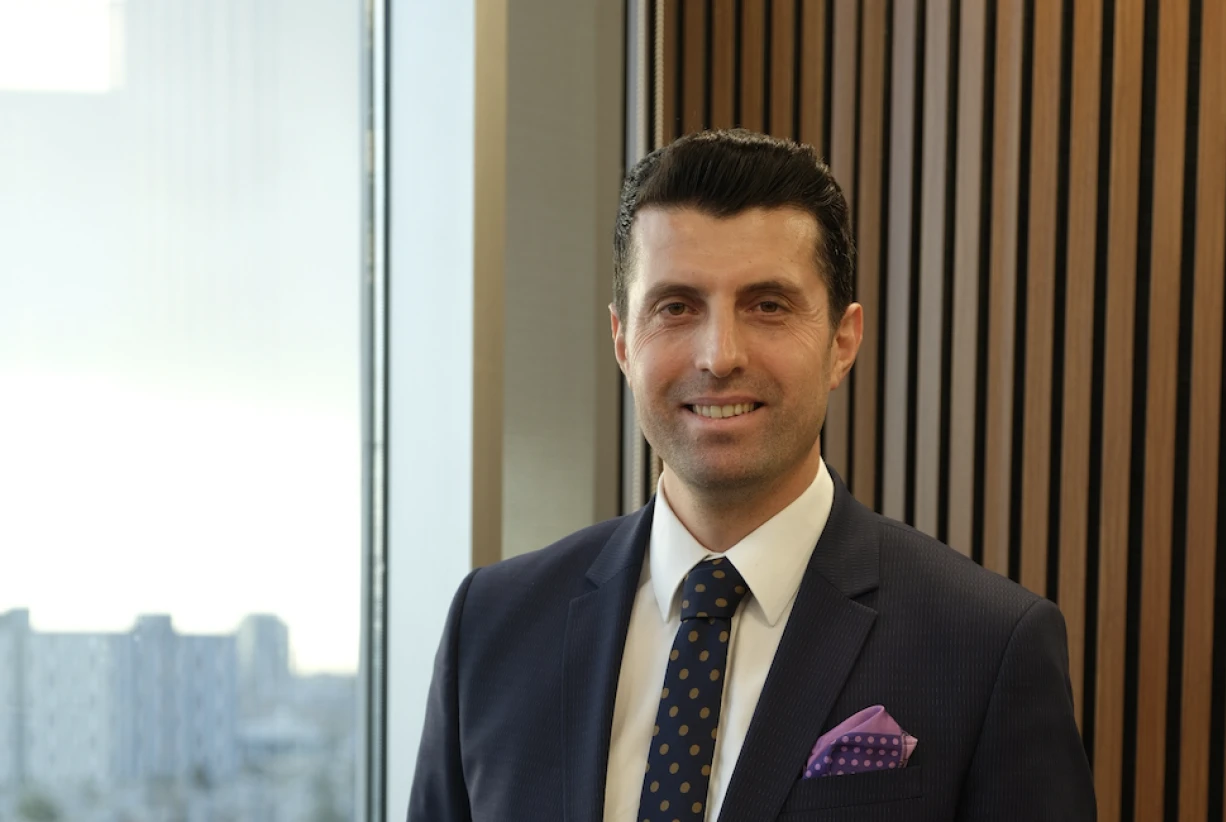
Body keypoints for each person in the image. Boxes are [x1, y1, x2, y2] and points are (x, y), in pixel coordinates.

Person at [407, 129, 1096, 821]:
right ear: (622, 341)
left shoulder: (986, 647)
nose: (720, 355)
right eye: (676, 307)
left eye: (768, 305)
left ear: (843, 342)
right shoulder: (491, 629)